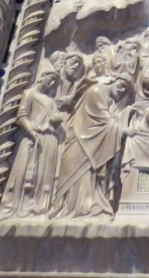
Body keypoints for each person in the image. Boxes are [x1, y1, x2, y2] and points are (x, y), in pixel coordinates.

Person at [52, 75, 134, 218]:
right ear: (114, 80)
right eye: (121, 85)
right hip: (81, 139)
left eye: (125, 91)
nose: (121, 91)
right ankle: (70, 207)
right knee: (74, 175)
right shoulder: (96, 91)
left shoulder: (109, 100)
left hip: (92, 141)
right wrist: (122, 130)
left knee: (89, 177)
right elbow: (103, 119)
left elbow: (109, 120)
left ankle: (83, 207)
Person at [0, 70, 64, 218]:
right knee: (25, 172)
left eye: (55, 81)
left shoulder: (50, 101)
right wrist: (31, 131)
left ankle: (40, 206)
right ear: (42, 76)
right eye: (51, 78)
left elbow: (56, 118)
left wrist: (57, 121)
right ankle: (19, 204)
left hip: (49, 139)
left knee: (44, 174)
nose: (52, 82)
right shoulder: (29, 94)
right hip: (32, 137)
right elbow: (22, 116)